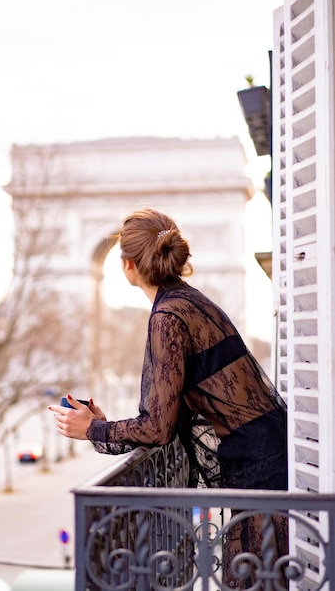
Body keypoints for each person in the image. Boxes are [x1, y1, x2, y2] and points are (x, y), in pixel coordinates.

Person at [48, 207, 288, 589]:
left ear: (127, 265)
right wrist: (105, 426)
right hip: (267, 453)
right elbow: (169, 411)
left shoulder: (167, 317)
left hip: (259, 467)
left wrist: (93, 429)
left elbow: (158, 428)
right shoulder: (191, 302)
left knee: (253, 581)